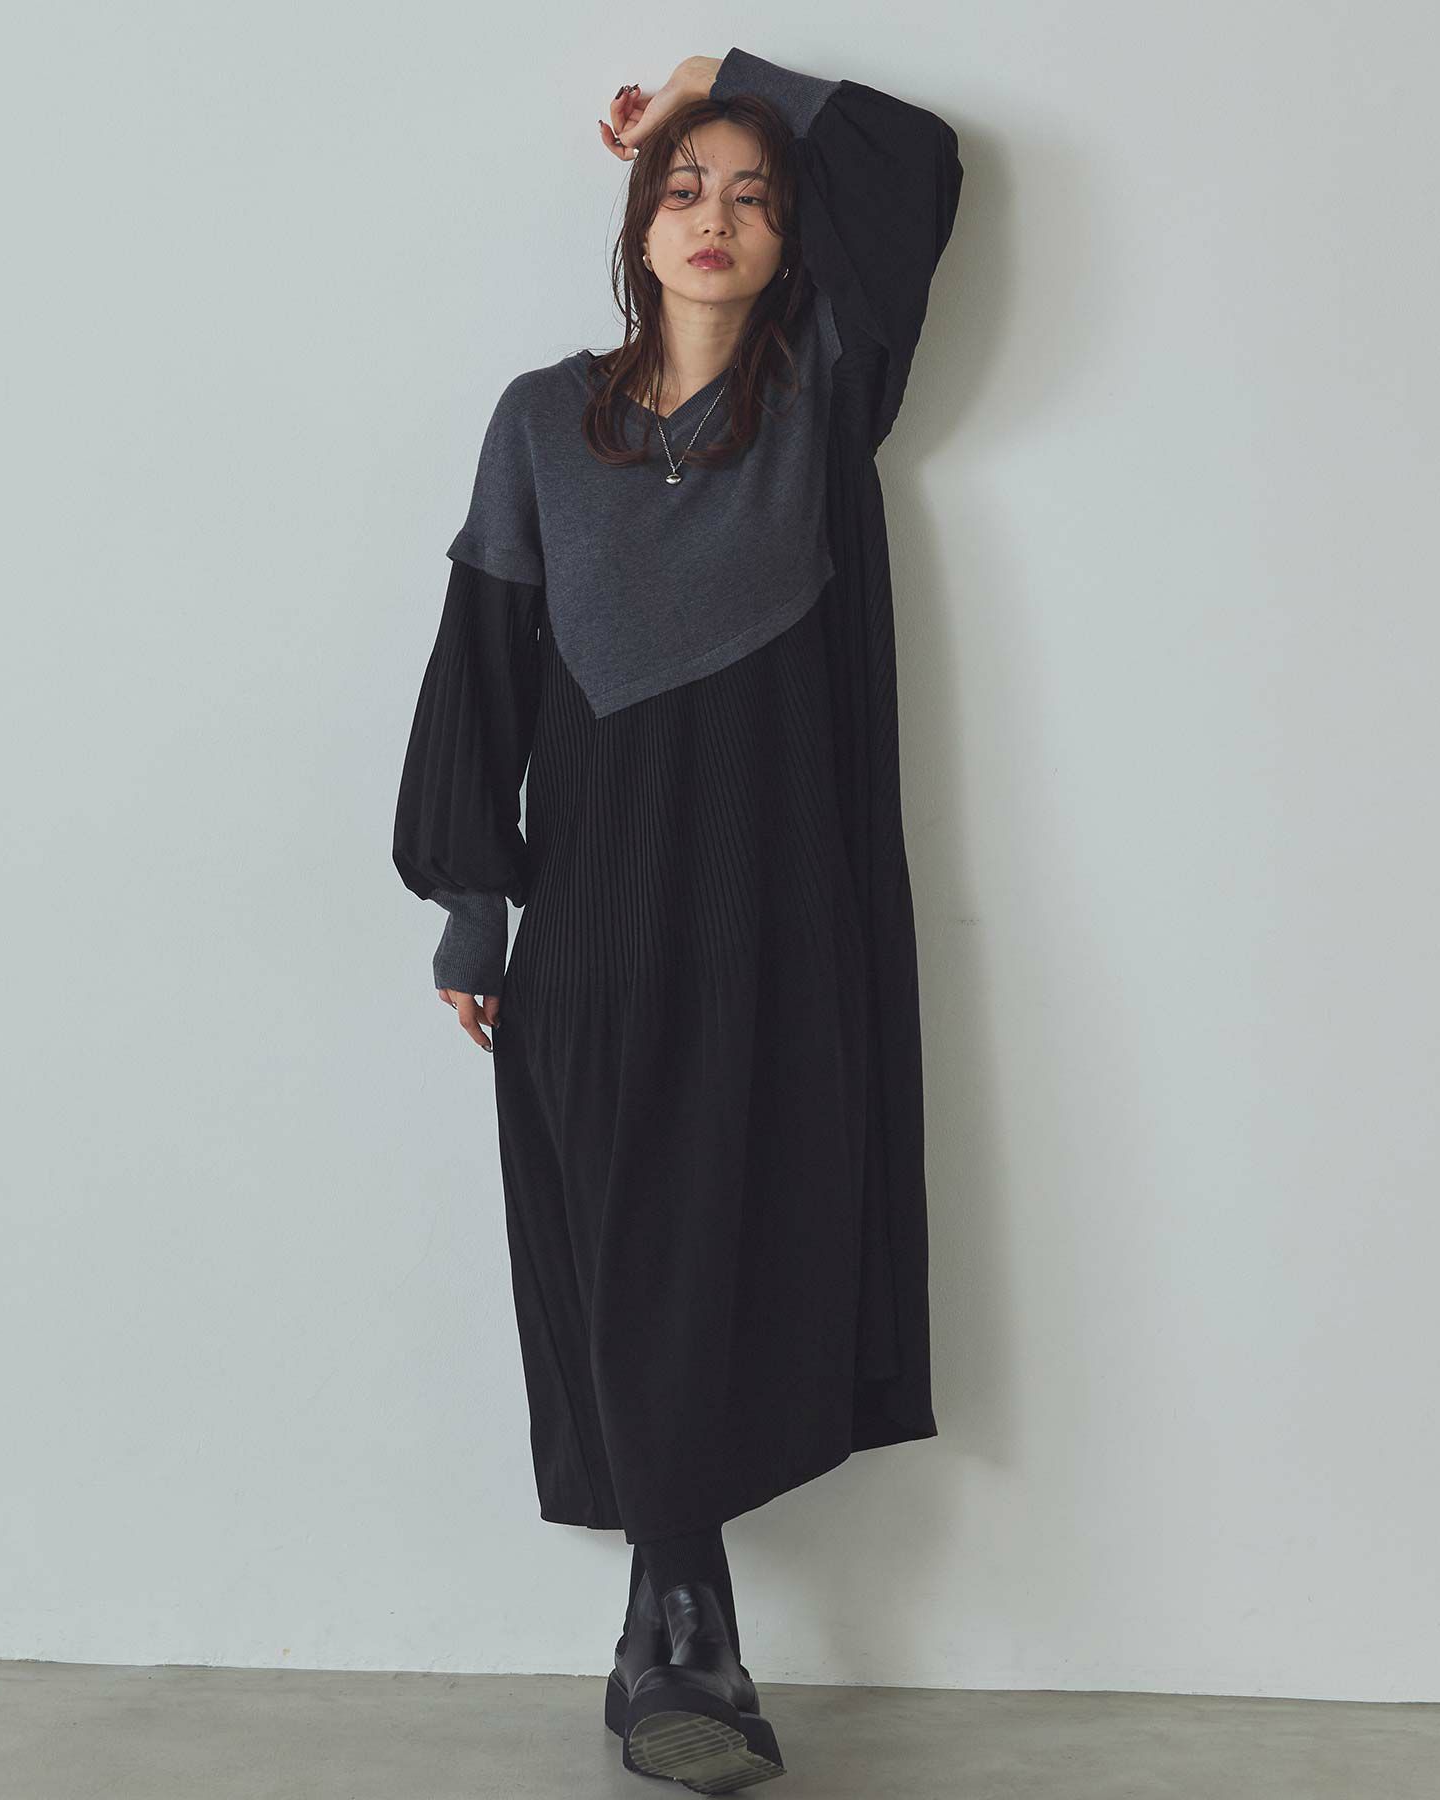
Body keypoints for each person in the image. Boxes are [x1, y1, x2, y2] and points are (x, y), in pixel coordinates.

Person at [392, 47, 963, 1793]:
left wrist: (717, 77)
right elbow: (482, 670)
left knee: (736, 1230)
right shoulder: (536, 423)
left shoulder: (826, 396)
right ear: (639, 229)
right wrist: (472, 910)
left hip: (777, 909)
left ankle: (676, 1619)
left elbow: (918, 164)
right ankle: (683, 1609)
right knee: (622, 1235)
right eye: (686, 189)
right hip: (597, 909)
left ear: (792, 243)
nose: (717, 218)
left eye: (756, 197)